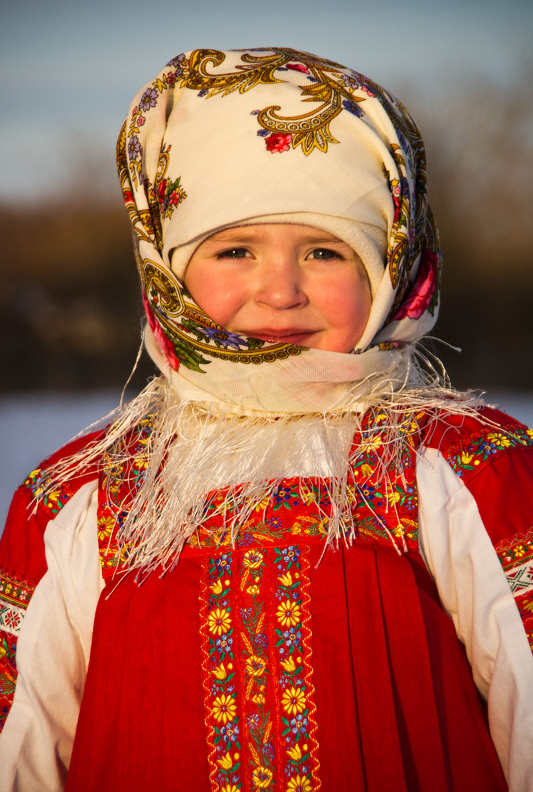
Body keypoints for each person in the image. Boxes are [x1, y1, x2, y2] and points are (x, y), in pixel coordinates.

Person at [0, 47, 532, 792]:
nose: (279, 290)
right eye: (234, 249)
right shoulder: (78, 497)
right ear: (169, 270)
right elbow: (24, 746)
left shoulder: (463, 469)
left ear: (391, 267)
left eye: (323, 250)